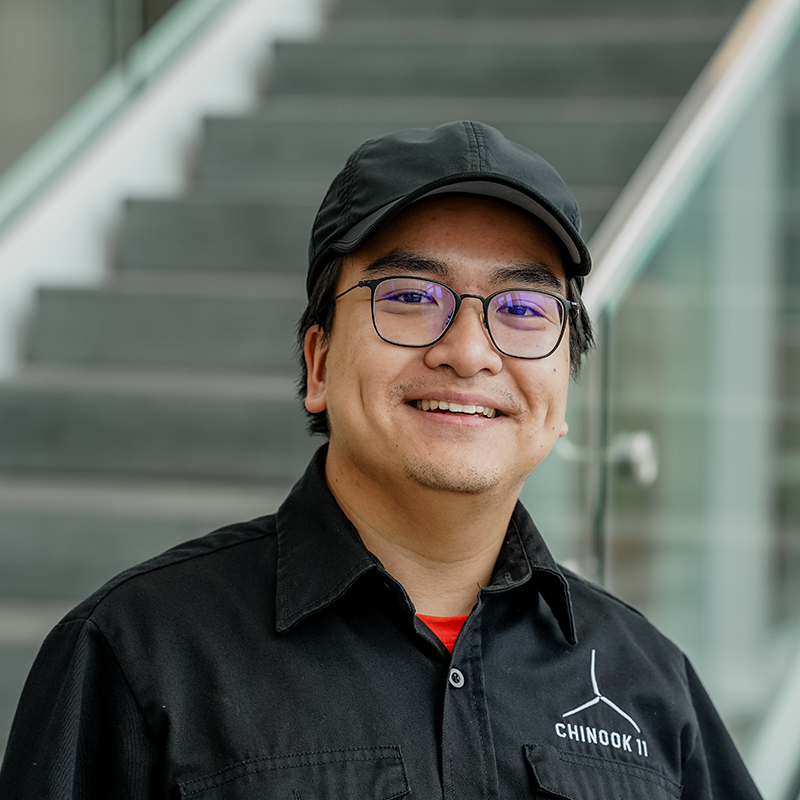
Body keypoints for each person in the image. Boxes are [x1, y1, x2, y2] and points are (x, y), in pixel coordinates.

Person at [0, 121, 762, 799]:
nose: (468, 353)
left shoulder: (648, 682)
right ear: (320, 362)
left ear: (564, 393)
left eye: (525, 310)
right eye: (409, 295)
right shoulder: (140, 655)